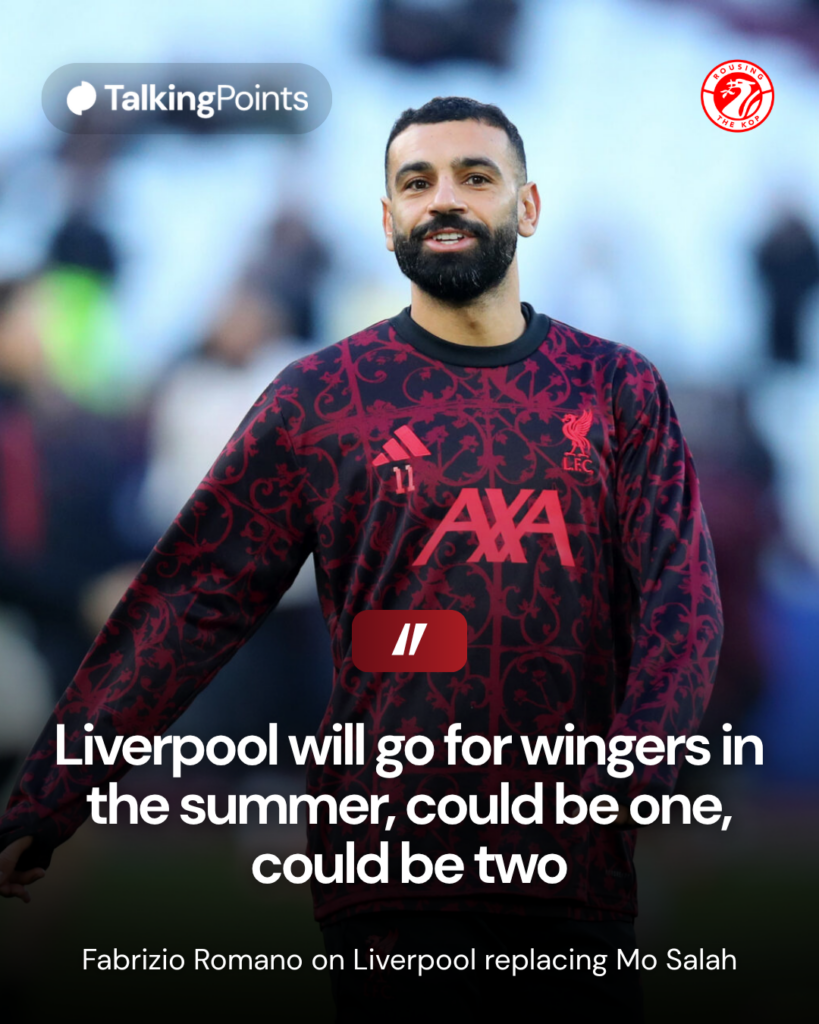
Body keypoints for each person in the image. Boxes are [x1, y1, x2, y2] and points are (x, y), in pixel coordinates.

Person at [0, 97, 723, 1021]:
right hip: (387, 872)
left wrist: (622, 785)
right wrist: (50, 799)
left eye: (475, 176)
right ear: (386, 222)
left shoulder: (617, 389)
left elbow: (682, 604)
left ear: (528, 207)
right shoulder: (320, 398)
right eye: (416, 183)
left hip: (571, 873)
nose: (444, 200)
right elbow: (190, 599)